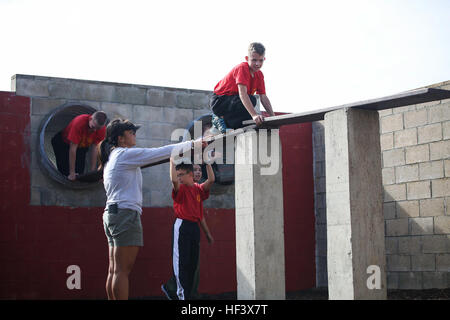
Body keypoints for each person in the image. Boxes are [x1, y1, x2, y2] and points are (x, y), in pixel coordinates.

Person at [99, 118, 205, 300]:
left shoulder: (113, 158)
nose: (134, 135)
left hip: (113, 213)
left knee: (115, 270)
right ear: (120, 139)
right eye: (130, 132)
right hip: (125, 214)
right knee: (122, 271)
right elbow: (161, 152)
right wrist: (194, 144)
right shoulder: (124, 155)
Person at [162, 158, 215, 300]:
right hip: (182, 225)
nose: (178, 178)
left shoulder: (197, 189)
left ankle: (186, 294)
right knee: (181, 263)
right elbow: (173, 181)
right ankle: (181, 296)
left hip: (194, 228)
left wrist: (208, 163)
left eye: (181, 175)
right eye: (177, 175)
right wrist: (172, 162)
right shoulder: (181, 188)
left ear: (190, 174)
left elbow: (211, 180)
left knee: (192, 264)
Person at [209, 42, 275, 133]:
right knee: (251, 100)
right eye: (254, 60)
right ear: (247, 59)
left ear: (264, 59)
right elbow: (242, 94)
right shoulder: (242, 68)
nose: (257, 64)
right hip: (220, 102)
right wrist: (254, 115)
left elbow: (263, 97)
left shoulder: (259, 75)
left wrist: (273, 116)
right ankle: (219, 118)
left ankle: (233, 123)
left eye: (260, 60)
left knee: (250, 106)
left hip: (235, 101)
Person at [51, 111, 107, 180]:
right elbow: (72, 149)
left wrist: (93, 171)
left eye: (97, 129)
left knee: (79, 172)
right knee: (65, 171)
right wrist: (72, 173)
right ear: (90, 119)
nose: (94, 130)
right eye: (92, 127)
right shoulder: (79, 123)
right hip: (63, 144)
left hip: (81, 147)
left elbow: (95, 148)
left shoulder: (102, 130)